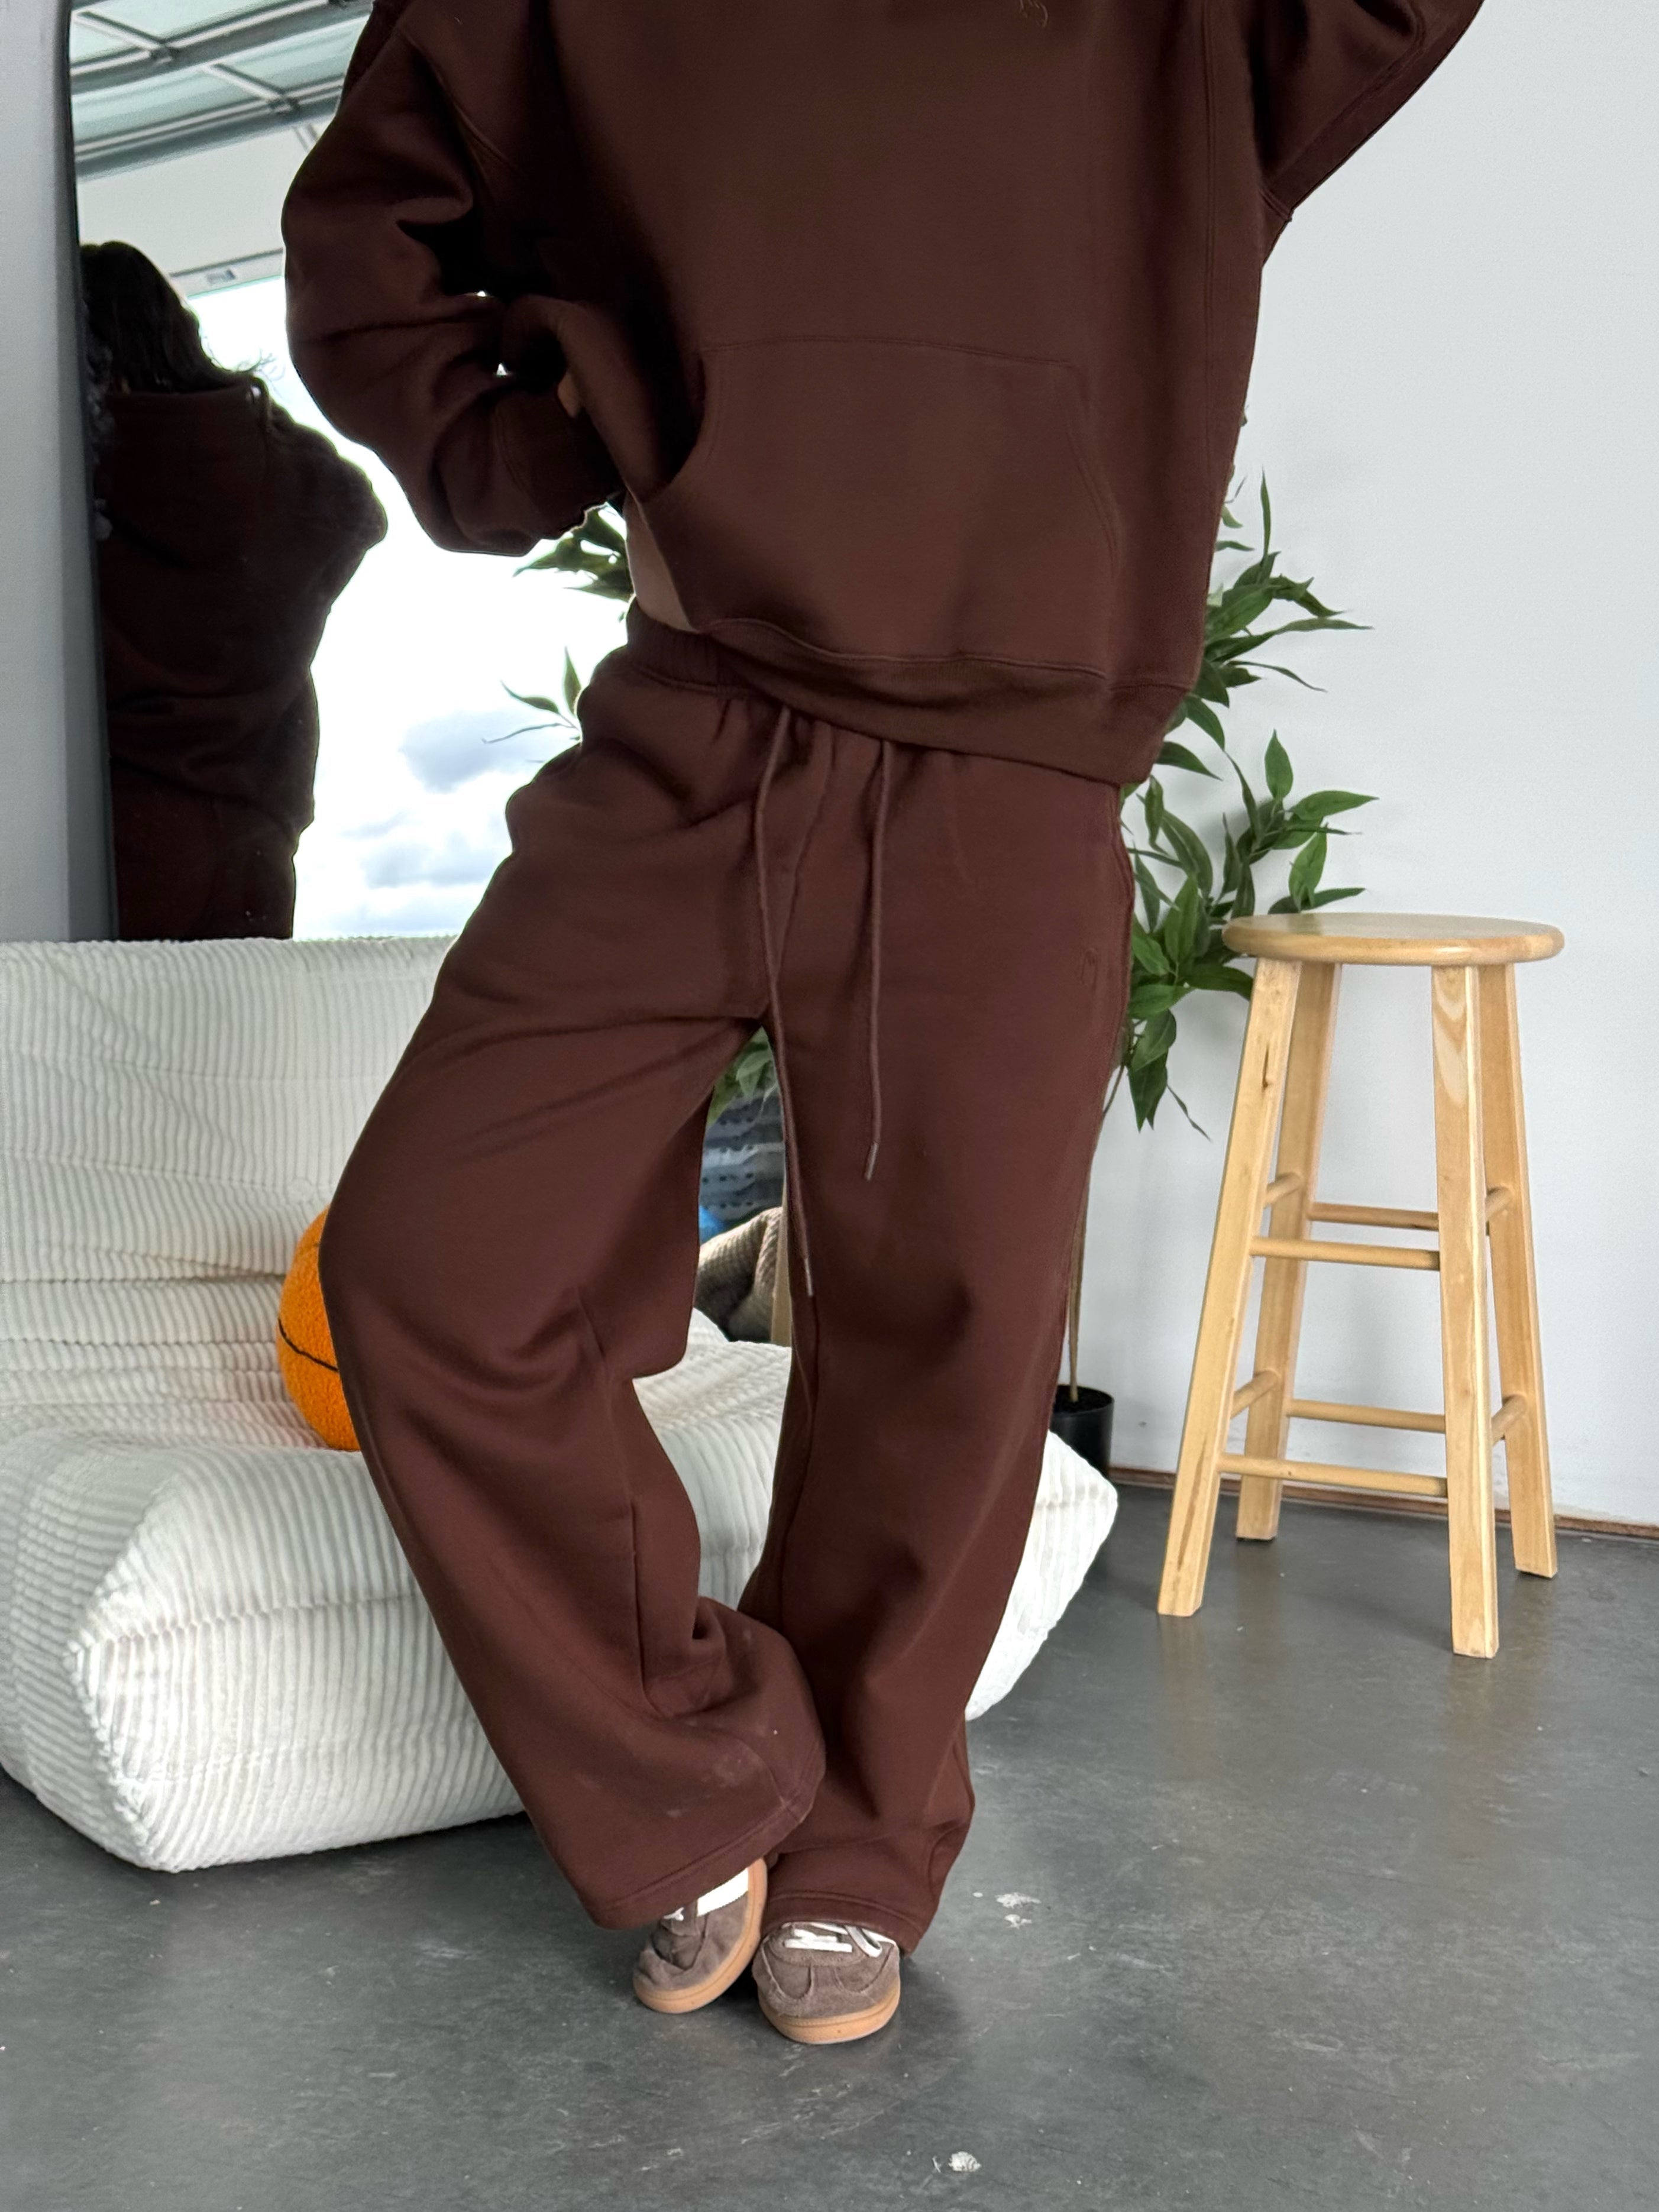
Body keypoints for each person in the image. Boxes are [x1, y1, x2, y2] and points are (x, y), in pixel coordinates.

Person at [282, 0, 1486, 2045]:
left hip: (1011, 758)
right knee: (432, 1270)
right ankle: (684, 1773)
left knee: (949, 1328)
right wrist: (538, 440)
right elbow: (370, 235)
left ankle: (851, 1833)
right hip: (699, 713)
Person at [82, 242, 386, 940]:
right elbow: (357, 513)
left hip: (110, 846)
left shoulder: (71, 474)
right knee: (235, 1044)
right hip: (252, 847)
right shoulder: (282, 474)